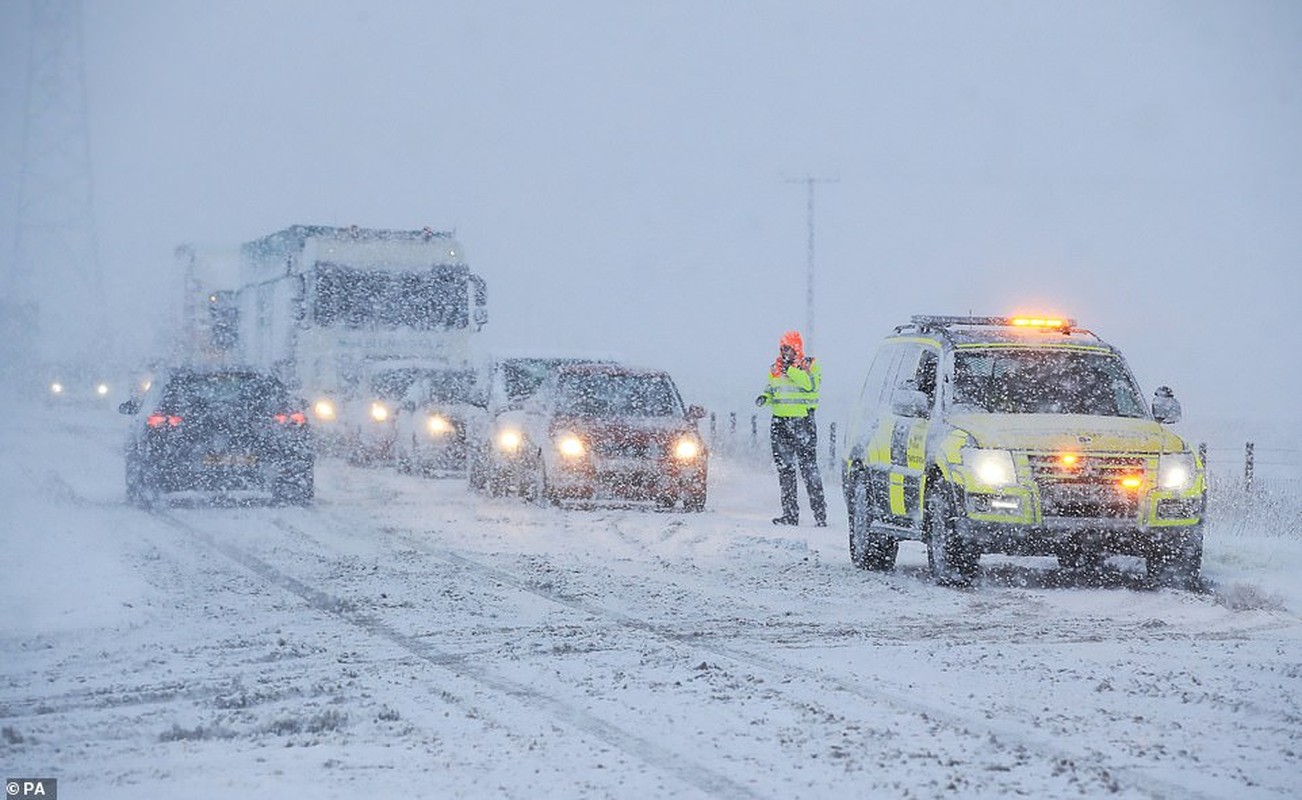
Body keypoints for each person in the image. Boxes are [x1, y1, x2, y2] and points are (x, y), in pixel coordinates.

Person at [755, 330, 826, 526]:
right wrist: (765, 397)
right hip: (780, 423)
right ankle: (790, 514)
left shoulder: (809, 365)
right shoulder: (774, 369)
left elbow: (810, 385)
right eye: (782, 348)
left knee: (809, 468)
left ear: (797, 348)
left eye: (788, 348)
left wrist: (791, 370)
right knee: (785, 469)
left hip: (803, 422)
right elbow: (772, 389)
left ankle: (820, 514)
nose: (784, 352)